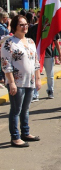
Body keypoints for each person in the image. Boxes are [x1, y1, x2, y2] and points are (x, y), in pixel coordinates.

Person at [1, 15, 41, 147]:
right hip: (17, 82)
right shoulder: (9, 42)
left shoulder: (30, 42)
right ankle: (15, 137)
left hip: (29, 81)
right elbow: (6, 64)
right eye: (21, 25)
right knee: (16, 110)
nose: (25, 27)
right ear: (15, 27)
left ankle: (25, 132)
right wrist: (11, 82)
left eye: (26, 24)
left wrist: (38, 78)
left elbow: (35, 61)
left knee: (26, 109)